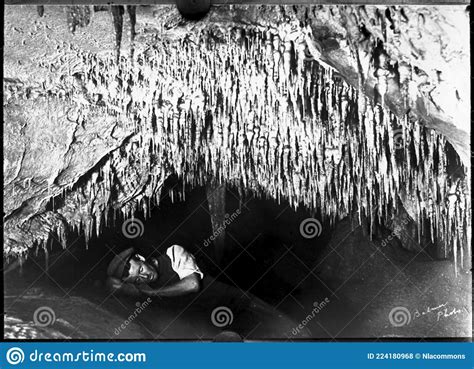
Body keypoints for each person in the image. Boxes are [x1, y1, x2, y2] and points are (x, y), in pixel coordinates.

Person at [106, 245, 203, 297]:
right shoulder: (144, 286)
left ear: (140, 258)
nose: (145, 276)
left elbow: (193, 284)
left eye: (141, 270)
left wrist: (151, 293)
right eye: (138, 280)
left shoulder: (173, 253)